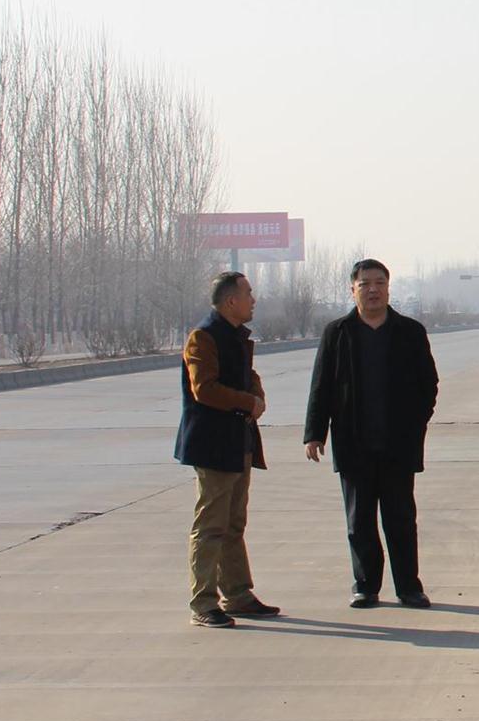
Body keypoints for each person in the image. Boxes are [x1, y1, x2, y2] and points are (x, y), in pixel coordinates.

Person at [303, 258, 441, 609]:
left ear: (389, 288)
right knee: (359, 521)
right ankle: (365, 585)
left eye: (379, 283)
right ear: (353, 290)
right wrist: (314, 433)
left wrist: (416, 424)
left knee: (401, 520)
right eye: (365, 284)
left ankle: (409, 587)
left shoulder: (410, 331)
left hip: (398, 445)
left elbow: (428, 384)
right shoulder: (337, 333)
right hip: (354, 443)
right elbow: (321, 385)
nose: (373, 290)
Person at [175, 271, 279, 628]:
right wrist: (247, 402)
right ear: (231, 301)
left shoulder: (235, 336)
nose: (253, 300)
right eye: (248, 293)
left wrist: (256, 395)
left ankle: (238, 594)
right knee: (210, 526)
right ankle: (203, 602)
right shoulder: (203, 337)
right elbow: (204, 388)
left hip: (239, 441)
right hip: (213, 444)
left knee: (234, 523)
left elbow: (248, 376)